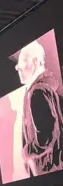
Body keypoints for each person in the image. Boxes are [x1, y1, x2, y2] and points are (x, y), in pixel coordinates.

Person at [15, 39, 63, 176]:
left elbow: (46, 138)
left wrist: (26, 152)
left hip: (47, 172)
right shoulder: (44, 89)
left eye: (23, 60)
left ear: (35, 62)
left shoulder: (38, 92)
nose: (17, 67)